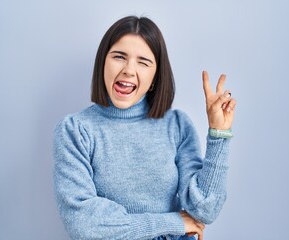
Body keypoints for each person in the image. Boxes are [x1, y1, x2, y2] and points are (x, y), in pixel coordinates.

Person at [53, 15, 236, 240]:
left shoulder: (177, 125)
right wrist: (171, 222)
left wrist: (219, 135)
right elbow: (84, 225)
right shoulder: (75, 130)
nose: (129, 70)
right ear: (103, 62)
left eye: (143, 62)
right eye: (119, 57)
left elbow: (204, 210)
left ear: (155, 77)